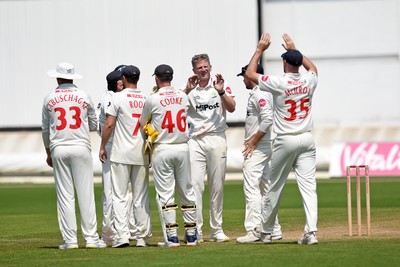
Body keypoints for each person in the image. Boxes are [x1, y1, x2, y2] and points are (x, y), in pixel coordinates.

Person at [245, 33, 319, 245]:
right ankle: (311, 233)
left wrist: (259, 50)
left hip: (286, 139)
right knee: (309, 187)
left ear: (285, 63)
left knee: (275, 186)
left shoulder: (279, 82)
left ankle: (267, 232)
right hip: (306, 139)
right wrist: (295, 50)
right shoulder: (308, 80)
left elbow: (250, 74)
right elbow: (313, 69)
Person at [41, 62, 106, 250]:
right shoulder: (84, 96)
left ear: (58, 77)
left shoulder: (49, 98)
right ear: (72, 77)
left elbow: (45, 129)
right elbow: (94, 124)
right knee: (86, 194)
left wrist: (48, 152)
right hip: (81, 146)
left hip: (59, 148)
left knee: (65, 196)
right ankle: (92, 239)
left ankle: (70, 241)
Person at [141, 64, 198, 247]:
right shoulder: (183, 96)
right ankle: (191, 236)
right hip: (182, 147)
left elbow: (143, 122)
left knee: (166, 194)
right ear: (171, 77)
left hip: (163, 148)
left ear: (156, 78)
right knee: (187, 191)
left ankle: (172, 238)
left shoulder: (153, 98)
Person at [183, 53, 236, 242]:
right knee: (195, 186)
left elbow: (232, 107)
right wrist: (185, 91)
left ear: (210, 67)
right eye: (200, 68)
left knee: (217, 186)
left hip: (216, 138)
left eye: (206, 67)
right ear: (194, 71)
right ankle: (195, 230)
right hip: (195, 141)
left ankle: (216, 229)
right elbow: (177, 110)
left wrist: (221, 92)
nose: (203, 70)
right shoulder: (190, 91)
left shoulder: (220, 86)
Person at [99, 65, 152, 248]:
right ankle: (142, 238)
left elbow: (109, 124)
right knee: (140, 197)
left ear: (123, 78)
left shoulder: (117, 97)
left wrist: (102, 146)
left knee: (119, 196)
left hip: (121, 153)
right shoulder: (146, 98)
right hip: (141, 152)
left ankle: (122, 237)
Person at [235, 64, 283, 243]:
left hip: (258, 147)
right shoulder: (264, 92)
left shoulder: (260, 93)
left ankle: (255, 229)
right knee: (265, 188)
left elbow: (268, 119)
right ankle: (274, 228)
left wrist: (254, 141)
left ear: (253, 75)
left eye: (245, 76)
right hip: (264, 146)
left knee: (251, 188)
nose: (243, 79)